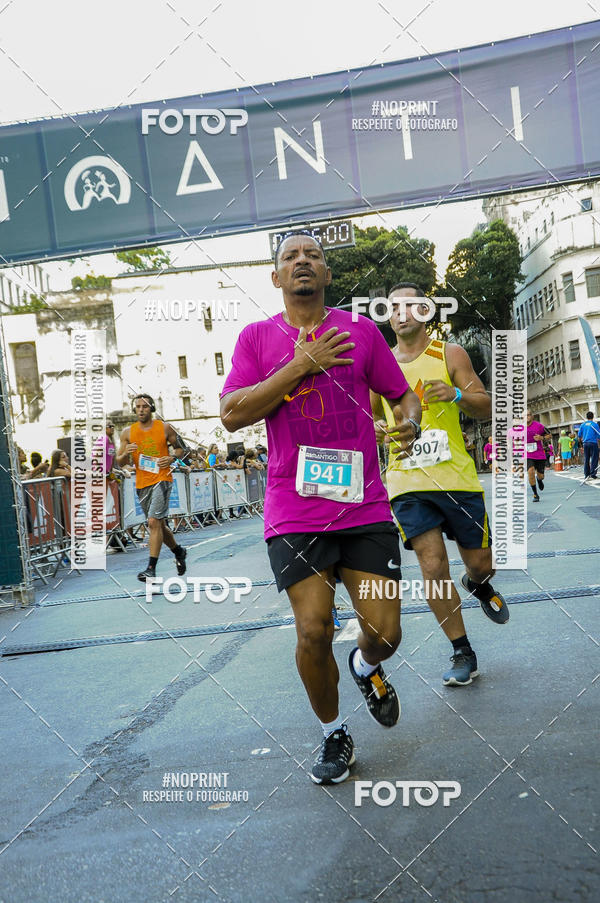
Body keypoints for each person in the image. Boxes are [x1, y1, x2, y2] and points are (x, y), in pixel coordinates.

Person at [220, 230, 421, 785]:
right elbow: (233, 415)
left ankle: (364, 666)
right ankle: (333, 733)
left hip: (365, 508)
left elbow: (400, 393)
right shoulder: (257, 338)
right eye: (291, 257)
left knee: (385, 633)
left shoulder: (360, 331)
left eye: (313, 255)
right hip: (294, 510)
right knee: (312, 631)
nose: (303, 261)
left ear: (327, 274)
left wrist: (410, 418)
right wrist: (299, 365)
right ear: (277, 277)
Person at [372, 283, 508, 689]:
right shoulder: (380, 364)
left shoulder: (449, 353)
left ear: (426, 311)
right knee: (432, 566)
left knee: (480, 563)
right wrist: (377, 429)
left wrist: (457, 394)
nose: (401, 313)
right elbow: (365, 417)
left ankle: (477, 583)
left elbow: (487, 406)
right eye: (394, 307)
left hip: (456, 477)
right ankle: (462, 650)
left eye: (411, 305)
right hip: (406, 478)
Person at [115, 393, 189, 582]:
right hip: (142, 482)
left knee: (153, 523)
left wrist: (172, 457)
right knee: (159, 525)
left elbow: (182, 449)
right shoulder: (128, 433)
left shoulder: (164, 427)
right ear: (134, 409)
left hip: (162, 479)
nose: (141, 410)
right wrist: (126, 453)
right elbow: (119, 460)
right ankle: (179, 551)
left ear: (152, 408)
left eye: (145, 406)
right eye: (138, 406)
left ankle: (151, 569)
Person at [526, 410, 551, 501]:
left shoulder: (539, 426)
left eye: (528, 415)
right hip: (527, 454)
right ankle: (535, 494)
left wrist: (541, 438)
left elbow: (549, 435)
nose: (526, 417)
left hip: (539, 454)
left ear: (532, 416)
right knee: (530, 472)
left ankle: (539, 480)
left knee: (541, 476)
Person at [579, 411, 600, 479]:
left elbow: (579, 435)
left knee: (586, 458)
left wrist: (581, 445)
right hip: (593, 443)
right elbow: (598, 435)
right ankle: (593, 473)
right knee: (594, 458)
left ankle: (586, 474)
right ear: (593, 416)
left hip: (585, 443)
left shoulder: (583, 425)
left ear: (586, 417)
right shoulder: (595, 425)